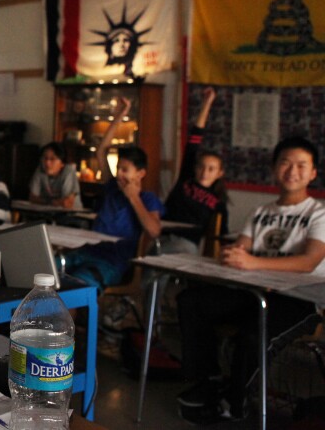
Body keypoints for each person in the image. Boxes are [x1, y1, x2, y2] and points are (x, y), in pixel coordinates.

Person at [176, 136, 325, 423]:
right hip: (255, 292)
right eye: (285, 163)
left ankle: (235, 404)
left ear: (313, 173)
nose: (292, 171)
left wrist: (253, 262)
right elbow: (241, 247)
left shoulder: (318, 213)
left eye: (301, 165)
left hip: (301, 299)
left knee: (252, 335)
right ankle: (209, 379)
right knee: (192, 301)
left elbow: (309, 262)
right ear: (273, 169)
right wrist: (233, 254)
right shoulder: (262, 212)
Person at [61, 97, 163, 292]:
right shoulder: (112, 188)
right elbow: (101, 151)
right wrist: (119, 117)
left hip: (114, 260)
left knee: (74, 287)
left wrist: (133, 198)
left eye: (125, 170)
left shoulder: (148, 199)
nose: (119, 174)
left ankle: (69, 321)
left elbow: (154, 231)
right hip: (88, 249)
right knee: (44, 271)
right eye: (118, 169)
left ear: (141, 174)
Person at [160, 87, 228, 255]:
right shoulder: (186, 179)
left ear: (220, 173)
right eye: (201, 166)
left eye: (211, 169)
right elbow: (194, 140)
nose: (205, 172)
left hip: (187, 245)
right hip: (162, 237)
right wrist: (206, 104)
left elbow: (222, 235)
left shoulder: (218, 202)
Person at [28, 142, 82, 210]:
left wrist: (43, 201)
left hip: (72, 216)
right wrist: (54, 202)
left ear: (62, 163)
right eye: (45, 158)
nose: (47, 163)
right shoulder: (40, 169)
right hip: (48, 213)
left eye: (52, 159)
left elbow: (67, 203)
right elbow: (32, 198)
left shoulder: (68, 171)